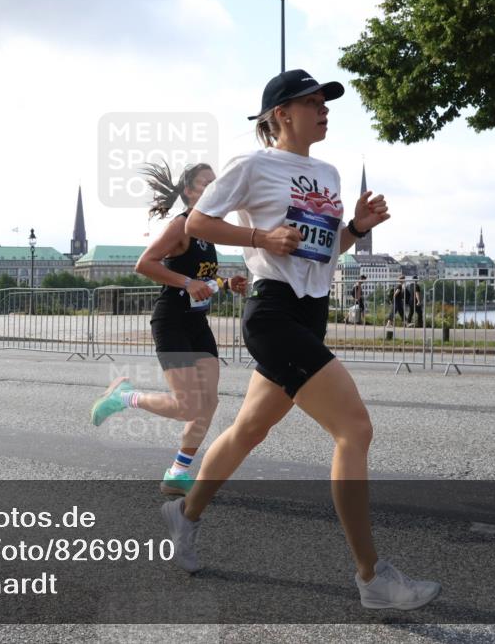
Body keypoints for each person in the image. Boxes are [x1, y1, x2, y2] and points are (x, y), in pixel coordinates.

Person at [164, 69, 441, 610]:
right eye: (312, 102)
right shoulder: (252, 165)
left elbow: (323, 250)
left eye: (326, 102)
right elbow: (196, 223)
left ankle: (185, 514)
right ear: (280, 114)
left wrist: (355, 228)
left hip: (312, 312)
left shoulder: (328, 172)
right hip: (273, 313)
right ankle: (372, 579)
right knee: (355, 429)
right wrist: (259, 236)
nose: (325, 109)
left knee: (247, 430)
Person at [89, 161, 248, 495]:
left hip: (197, 324)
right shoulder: (182, 226)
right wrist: (188, 282)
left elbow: (202, 277)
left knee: (209, 403)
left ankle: (178, 472)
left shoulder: (209, 230)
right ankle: (124, 396)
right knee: (188, 405)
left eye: (215, 183)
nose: (213, 188)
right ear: (189, 191)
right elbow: (144, 263)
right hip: (171, 321)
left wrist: (225, 282)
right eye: (206, 183)